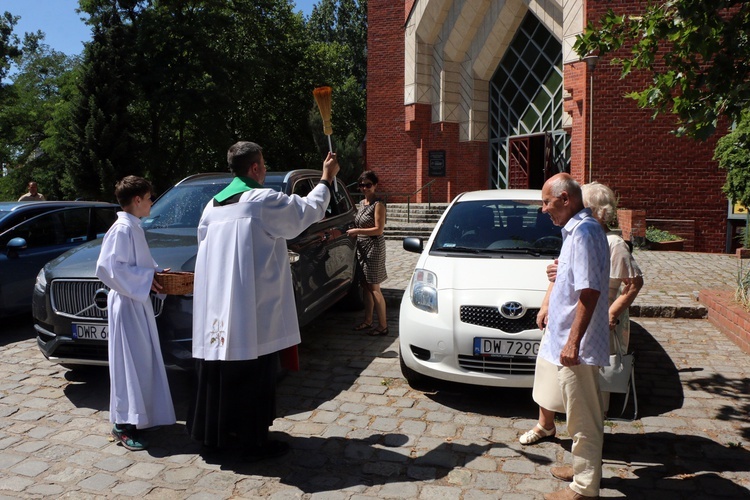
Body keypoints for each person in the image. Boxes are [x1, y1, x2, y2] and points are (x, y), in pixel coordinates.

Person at [188, 141, 339, 461]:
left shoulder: (211, 206)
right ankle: (251, 441)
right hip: (249, 308)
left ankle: (215, 435)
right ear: (255, 168)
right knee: (252, 374)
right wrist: (326, 179)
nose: (266, 169)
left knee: (218, 372)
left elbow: (203, 247)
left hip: (216, 306)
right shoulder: (261, 201)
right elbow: (304, 213)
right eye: (265, 164)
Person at [520, 181, 644, 447]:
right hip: (564, 322)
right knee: (550, 377)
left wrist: (610, 314)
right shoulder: (575, 233)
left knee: (586, 394)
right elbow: (562, 275)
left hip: (590, 322)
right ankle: (547, 425)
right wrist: (546, 304)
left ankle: (588, 451)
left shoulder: (602, 239)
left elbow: (628, 284)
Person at [536, 173, 610, 500]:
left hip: (576, 347)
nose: (543, 209)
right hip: (568, 341)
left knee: (584, 420)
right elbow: (577, 278)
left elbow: (590, 292)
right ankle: (583, 470)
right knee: (576, 414)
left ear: (565, 199)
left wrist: (572, 341)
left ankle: (584, 488)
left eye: (546, 202)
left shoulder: (584, 233)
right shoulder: (575, 232)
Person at [95, 175, 176, 451]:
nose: (152, 202)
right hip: (126, 304)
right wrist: (144, 278)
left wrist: (154, 273)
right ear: (138, 200)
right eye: (150, 197)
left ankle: (138, 416)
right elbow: (108, 268)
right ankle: (122, 425)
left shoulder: (134, 227)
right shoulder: (121, 229)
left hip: (136, 302)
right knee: (128, 363)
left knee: (141, 361)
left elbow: (136, 263)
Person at [347, 170, 389, 336]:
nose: (365, 188)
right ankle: (368, 320)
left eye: (368, 185)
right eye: (362, 185)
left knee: (374, 287)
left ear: (375, 185)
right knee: (365, 286)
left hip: (374, 247)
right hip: (362, 247)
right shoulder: (361, 203)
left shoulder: (378, 204)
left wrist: (357, 230)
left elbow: (378, 229)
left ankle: (383, 326)